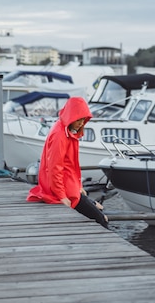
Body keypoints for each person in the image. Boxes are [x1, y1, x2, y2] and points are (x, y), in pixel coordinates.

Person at [26, 96, 108, 228]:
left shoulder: (69, 131)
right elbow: (54, 168)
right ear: (71, 116)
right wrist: (62, 196)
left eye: (83, 120)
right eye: (79, 120)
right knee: (101, 218)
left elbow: (72, 165)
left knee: (100, 208)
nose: (81, 123)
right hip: (64, 189)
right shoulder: (60, 135)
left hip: (70, 184)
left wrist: (79, 185)